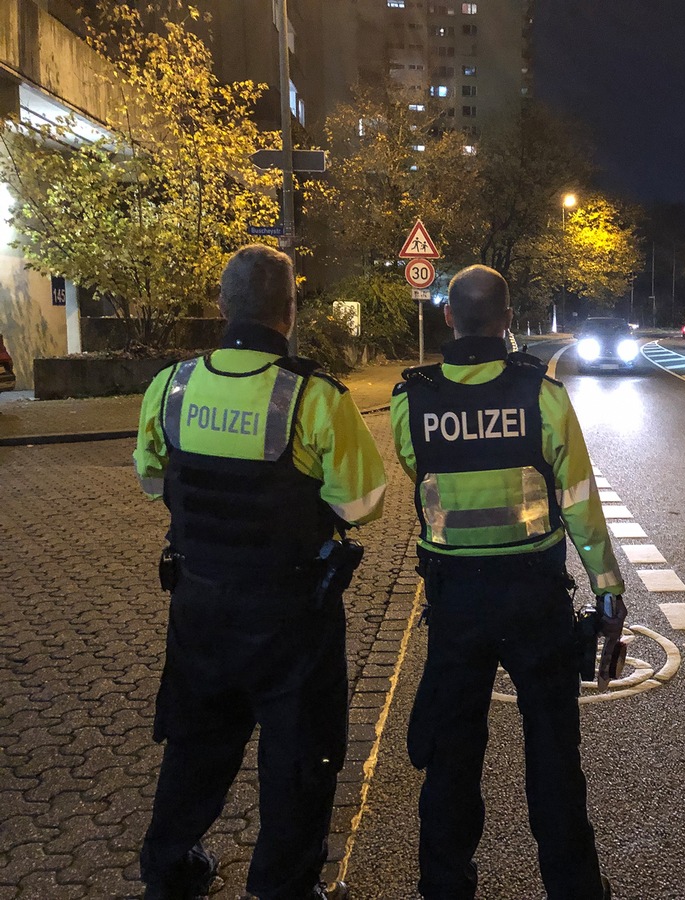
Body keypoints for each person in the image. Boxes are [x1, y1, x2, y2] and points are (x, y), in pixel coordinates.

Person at [133, 244, 387, 900]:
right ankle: (281, 887)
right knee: (300, 759)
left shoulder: (172, 385)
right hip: (290, 617)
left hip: (199, 603)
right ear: (289, 312)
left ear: (222, 306)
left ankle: (169, 871)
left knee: (193, 743)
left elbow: (152, 479)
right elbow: (362, 505)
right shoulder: (315, 396)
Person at [391, 265, 624, 900]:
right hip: (534, 600)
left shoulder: (410, 400)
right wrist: (608, 589)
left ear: (448, 318)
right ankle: (573, 889)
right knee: (553, 757)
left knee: (451, 758)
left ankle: (444, 885)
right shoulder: (541, 395)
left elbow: (420, 472)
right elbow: (578, 500)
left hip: (454, 601)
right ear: (508, 320)